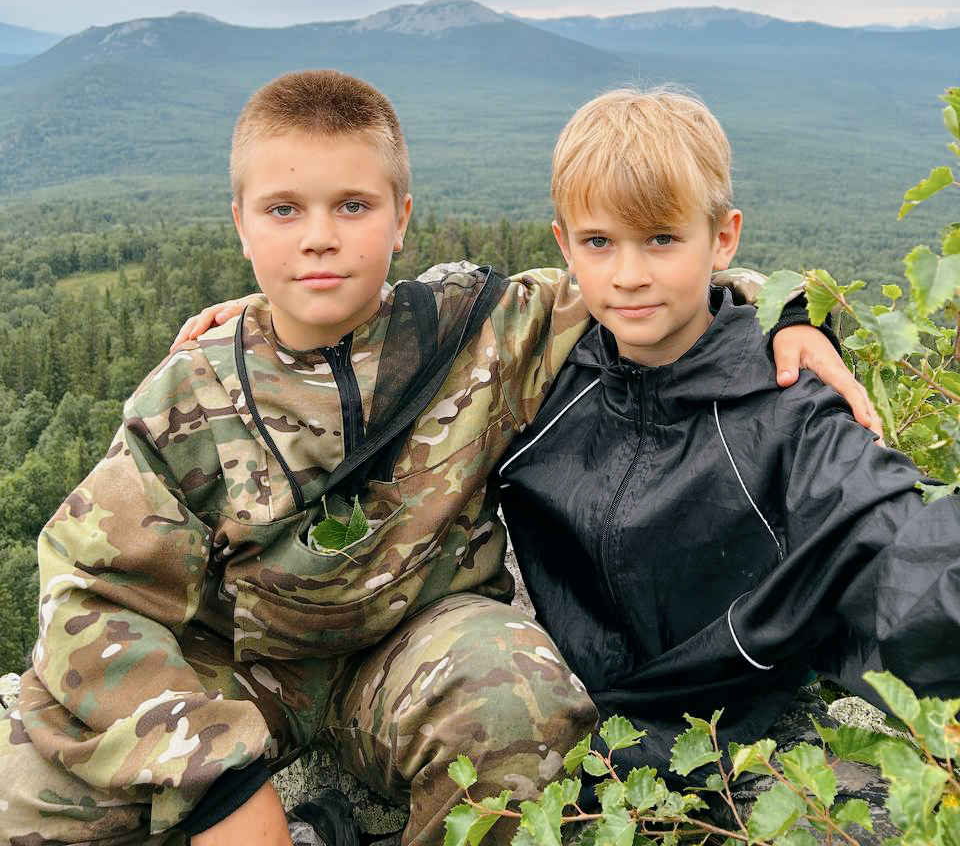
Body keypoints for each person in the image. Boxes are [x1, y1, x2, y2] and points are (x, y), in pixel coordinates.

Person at [0, 70, 868, 846]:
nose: (319, 239)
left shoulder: (477, 329)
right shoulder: (189, 395)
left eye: (353, 206)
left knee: (520, 706)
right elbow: (90, 595)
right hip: (232, 671)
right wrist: (218, 779)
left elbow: (664, 272)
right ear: (241, 224)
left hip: (411, 651)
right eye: (283, 210)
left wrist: (799, 318)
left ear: (401, 218)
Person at [498, 87, 960, 775]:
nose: (628, 275)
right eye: (600, 242)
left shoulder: (780, 395)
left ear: (723, 237)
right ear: (565, 246)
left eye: (661, 239)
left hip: (719, 730)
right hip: (566, 716)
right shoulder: (535, 372)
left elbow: (885, 523)